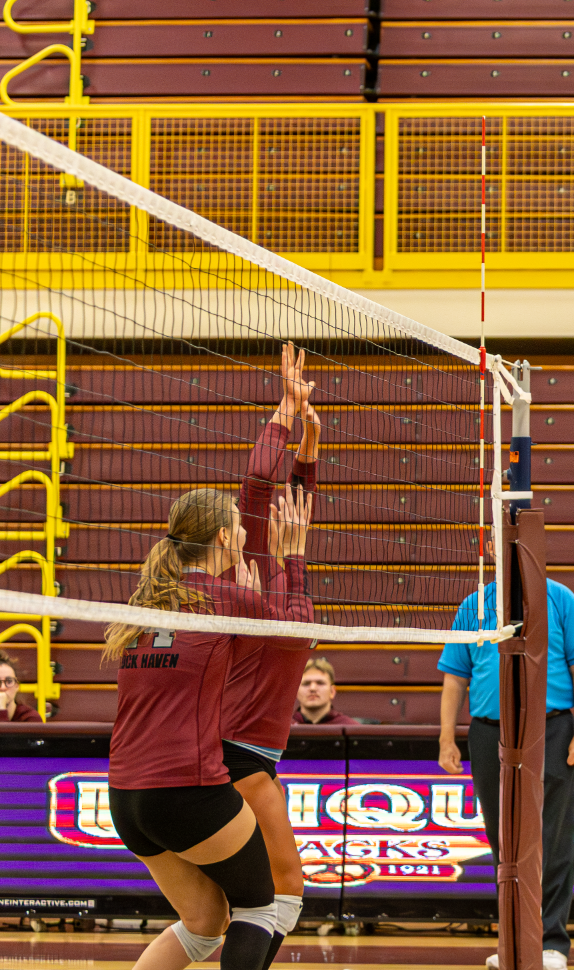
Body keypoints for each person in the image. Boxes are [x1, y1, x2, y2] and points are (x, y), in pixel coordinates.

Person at [101, 484, 311, 970]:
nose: (244, 531)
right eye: (238, 524)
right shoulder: (229, 597)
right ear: (223, 537)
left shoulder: (144, 605)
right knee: (263, 905)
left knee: (203, 921)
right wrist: (292, 560)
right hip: (187, 788)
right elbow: (297, 636)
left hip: (125, 798)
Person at [437, 540, 574, 970]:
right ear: (493, 550)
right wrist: (446, 739)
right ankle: (514, 938)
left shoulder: (559, 597)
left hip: (552, 728)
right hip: (490, 732)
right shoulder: (475, 604)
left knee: (554, 836)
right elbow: (455, 678)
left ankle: (552, 944)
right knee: (502, 839)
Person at [220, 343, 322, 967]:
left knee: (222, 915)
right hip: (241, 753)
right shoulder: (252, 574)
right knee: (281, 896)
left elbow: (295, 502)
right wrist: (284, 410)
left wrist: (308, 448)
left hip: (252, 752)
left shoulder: (288, 569)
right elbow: (259, 483)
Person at [293, 657, 358, 725]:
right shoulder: (284, 729)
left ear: (332, 691)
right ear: (296, 692)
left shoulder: (352, 728)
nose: (313, 688)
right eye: (306, 684)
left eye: (320, 683)